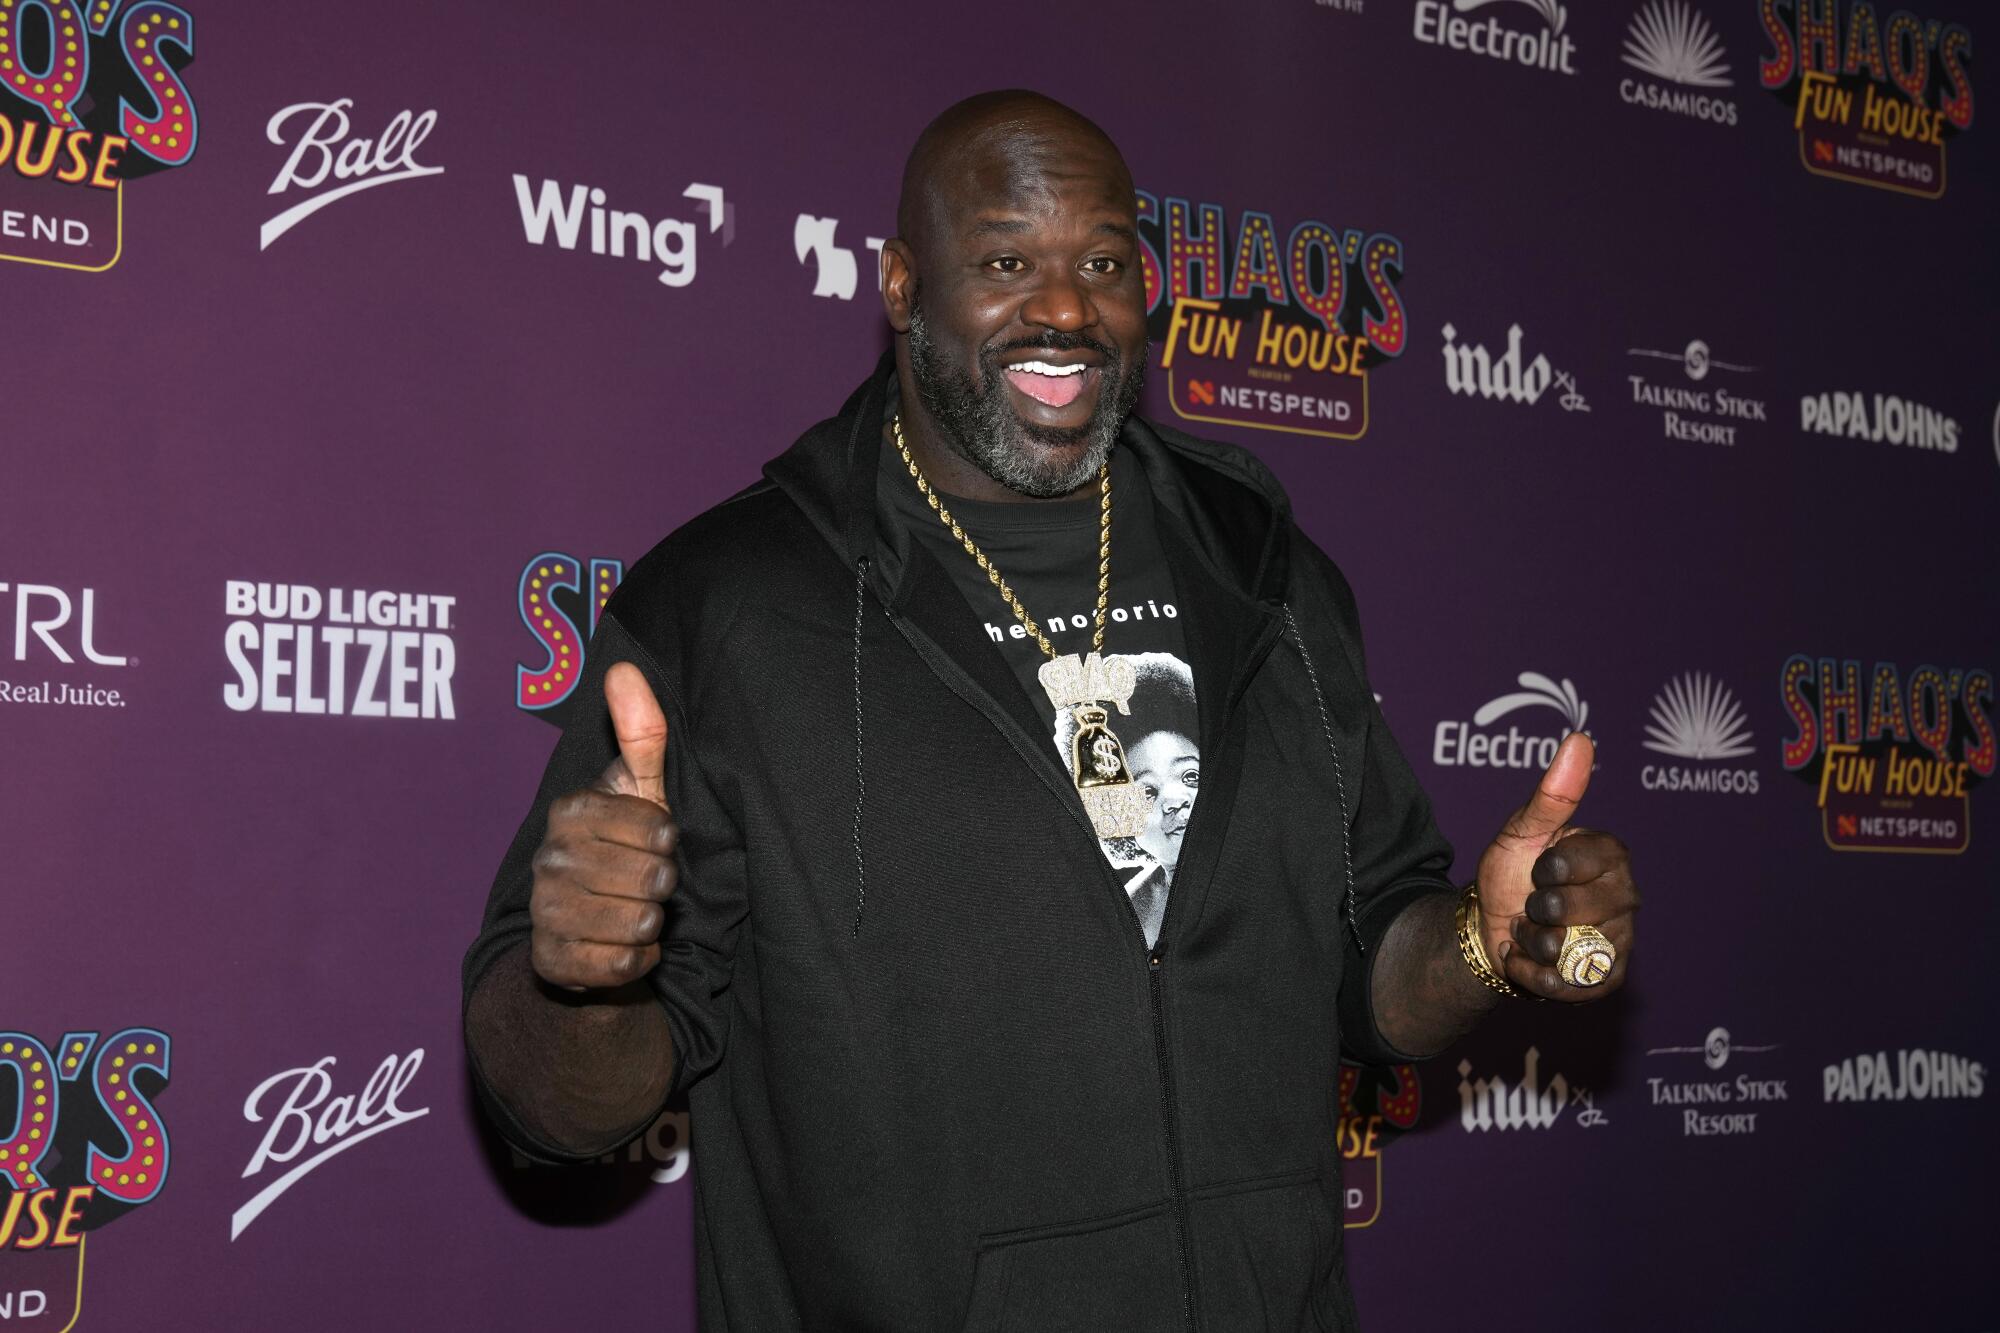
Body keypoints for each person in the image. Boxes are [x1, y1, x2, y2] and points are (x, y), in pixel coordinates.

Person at [462, 89, 1639, 1331]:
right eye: (1006, 260)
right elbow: (561, 1109)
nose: (1066, 308)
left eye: (1103, 261)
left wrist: (1481, 943)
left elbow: (1370, 963)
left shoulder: (1265, 574)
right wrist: (580, 981)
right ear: (903, 287)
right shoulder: (728, 607)